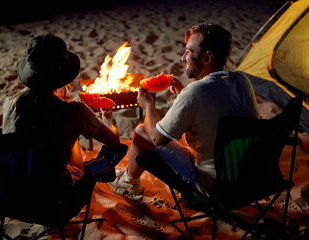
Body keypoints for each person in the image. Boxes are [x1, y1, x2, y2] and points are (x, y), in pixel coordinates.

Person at [110, 23, 260, 200]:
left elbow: (157, 138)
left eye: (189, 51)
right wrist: (183, 95)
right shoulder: (242, 80)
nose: (183, 57)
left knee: (142, 131)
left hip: (214, 185)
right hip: (249, 180)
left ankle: (129, 182)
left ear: (207, 58)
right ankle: (128, 179)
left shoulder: (196, 91)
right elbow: (216, 109)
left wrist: (148, 106)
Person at [2, 34, 120, 190]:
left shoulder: (10, 104)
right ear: (62, 76)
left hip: (11, 191)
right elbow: (114, 142)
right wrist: (107, 120)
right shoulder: (74, 111)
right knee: (78, 139)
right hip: (55, 198)